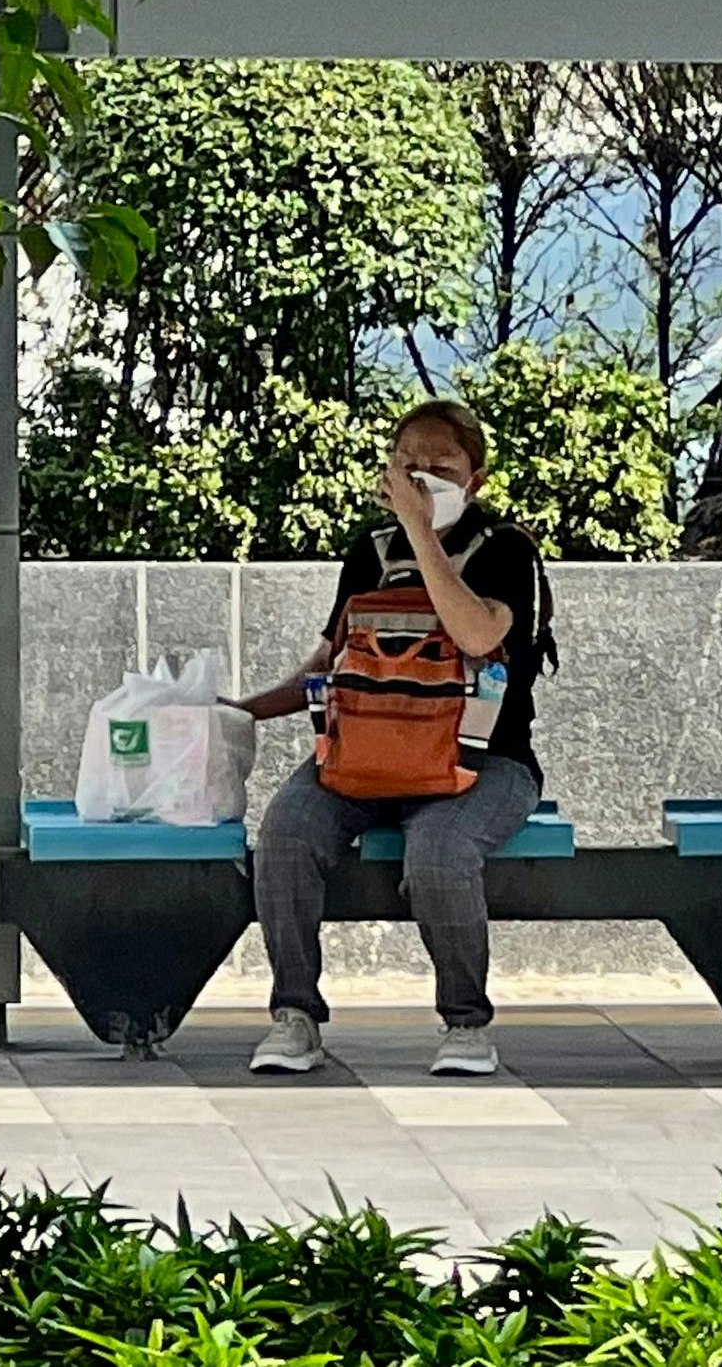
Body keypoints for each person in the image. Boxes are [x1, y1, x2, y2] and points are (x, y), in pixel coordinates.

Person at [233, 400, 553, 1080]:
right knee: (285, 835)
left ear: (475, 479)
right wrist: (242, 711)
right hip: (364, 753)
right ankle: (294, 1014)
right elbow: (330, 659)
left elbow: (478, 634)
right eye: (408, 464)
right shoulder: (370, 553)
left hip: (483, 761)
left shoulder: (506, 551)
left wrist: (421, 532)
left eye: (441, 467)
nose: (422, 478)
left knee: (440, 852)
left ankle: (465, 1023)